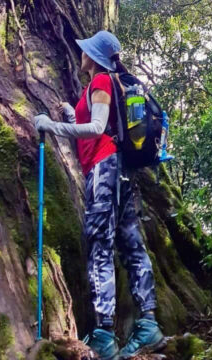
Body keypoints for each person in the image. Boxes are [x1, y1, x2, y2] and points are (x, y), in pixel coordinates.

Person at [34, 31, 165, 360]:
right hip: (120, 172)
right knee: (131, 243)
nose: (81, 54)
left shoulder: (103, 82)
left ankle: (105, 334)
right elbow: (92, 122)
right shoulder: (104, 85)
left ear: (94, 57)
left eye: (86, 51)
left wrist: (50, 125)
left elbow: (95, 128)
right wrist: (67, 113)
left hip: (105, 170)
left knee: (101, 246)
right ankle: (148, 325)